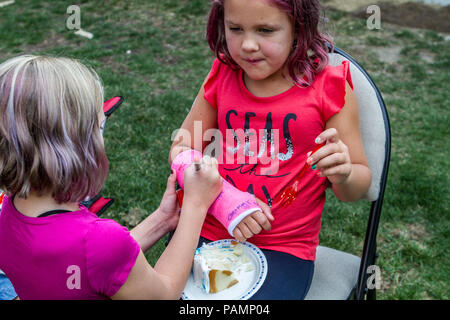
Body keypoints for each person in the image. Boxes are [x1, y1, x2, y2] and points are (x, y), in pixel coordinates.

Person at [169, 0, 372, 299]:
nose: (248, 45)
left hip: (283, 247)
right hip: (206, 229)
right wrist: (227, 200)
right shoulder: (222, 74)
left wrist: (343, 174)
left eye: (265, 30)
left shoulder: (328, 87)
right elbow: (182, 148)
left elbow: (355, 189)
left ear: (298, 29)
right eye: (235, 29)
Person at [0, 55, 223, 300]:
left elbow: (96, 264)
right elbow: (164, 294)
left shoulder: (9, 214)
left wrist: (161, 220)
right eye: (99, 127)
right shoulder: (98, 242)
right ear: (77, 145)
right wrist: (195, 203)